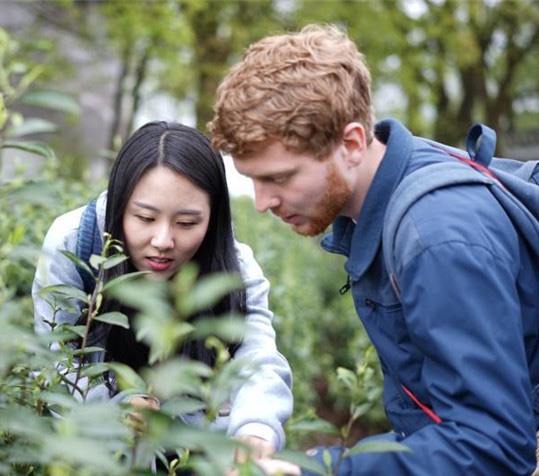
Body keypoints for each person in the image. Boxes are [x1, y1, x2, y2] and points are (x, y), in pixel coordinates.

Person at [208, 24, 539, 476]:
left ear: (352, 143)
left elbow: (493, 447)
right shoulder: (386, 199)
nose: (263, 202)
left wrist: (327, 471)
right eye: (253, 180)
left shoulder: (435, 236)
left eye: (279, 178)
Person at [32, 121, 293, 462]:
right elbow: (54, 363)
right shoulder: (74, 244)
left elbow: (257, 356)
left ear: (212, 217)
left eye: (186, 223)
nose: (163, 242)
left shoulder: (235, 269)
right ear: (119, 206)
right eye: (144, 218)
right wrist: (115, 413)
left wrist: (256, 428)